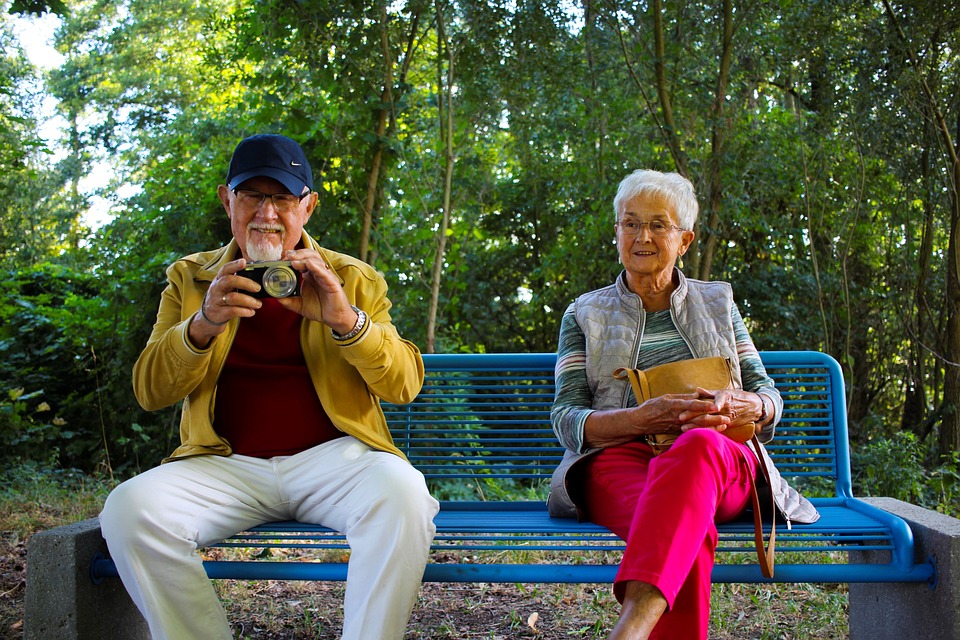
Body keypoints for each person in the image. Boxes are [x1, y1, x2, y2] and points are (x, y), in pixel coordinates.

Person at [99, 133, 439, 640]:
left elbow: (404, 384)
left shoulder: (352, 277)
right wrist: (202, 323)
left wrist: (346, 320)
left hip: (335, 462)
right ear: (227, 200)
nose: (266, 213)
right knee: (129, 510)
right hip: (225, 464)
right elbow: (150, 390)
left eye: (282, 198)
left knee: (404, 495)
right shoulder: (191, 277)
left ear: (308, 206)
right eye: (252, 196)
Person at [547, 169, 820, 640]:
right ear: (616, 232)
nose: (642, 236)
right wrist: (638, 418)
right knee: (680, 530)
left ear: (685, 239)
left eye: (658, 225)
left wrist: (742, 405)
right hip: (619, 458)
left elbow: (769, 395)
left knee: (696, 449)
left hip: (717, 459)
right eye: (630, 223)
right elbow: (566, 418)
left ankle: (630, 629)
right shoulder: (584, 313)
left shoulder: (719, 303)